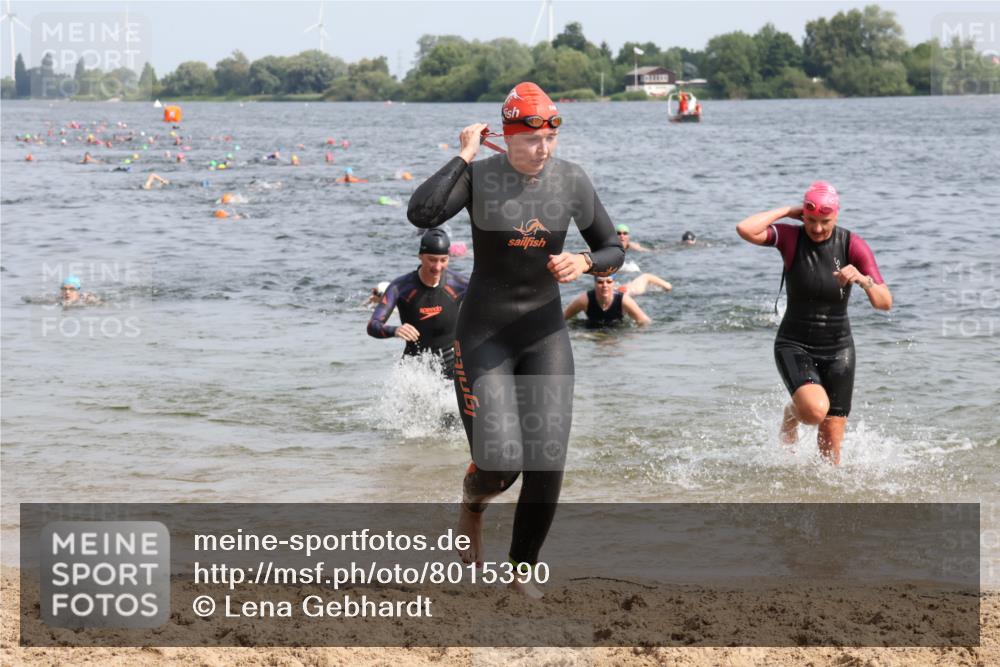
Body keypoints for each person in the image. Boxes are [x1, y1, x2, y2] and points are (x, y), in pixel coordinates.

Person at [407, 81, 624, 598]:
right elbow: (423, 213)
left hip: (544, 332)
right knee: (501, 463)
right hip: (484, 334)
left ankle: (520, 568)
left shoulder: (571, 182)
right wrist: (463, 153)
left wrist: (586, 263)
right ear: (506, 136)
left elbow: (612, 246)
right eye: (531, 139)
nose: (543, 149)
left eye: (550, 138)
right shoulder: (480, 176)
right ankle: (472, 503)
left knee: (547, 458)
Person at [736, 181, 892, 464]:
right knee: (814, 411)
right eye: (811, 220)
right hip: (794, 344)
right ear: (803, 216)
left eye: (825, 221)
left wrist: (863, 280)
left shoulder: (851, 244)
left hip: (839, 349)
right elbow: (745, 229)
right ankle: (792, 413)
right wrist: (787, 211)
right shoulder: (791, 239)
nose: (817, 229)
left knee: (831, 444)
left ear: (837, 217)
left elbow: (885, 302)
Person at [367, 229, 469, 379]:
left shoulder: (460, 284)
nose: (438, 267)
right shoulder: (400, 287)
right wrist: (395, 330)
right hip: (414, 370)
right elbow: (373, 326)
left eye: (443, 260)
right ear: (420, 256)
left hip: (452, 366)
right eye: (432, 259)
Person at [564, 275, 651, 327]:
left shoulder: (624, 300)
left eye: (609, 282)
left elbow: (645, 321)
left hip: (617, 329)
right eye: (600, 282)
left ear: (613, 284)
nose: (605, 285)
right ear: (594, 284)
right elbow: (562, 318)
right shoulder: (584, 300)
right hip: (592, 328)